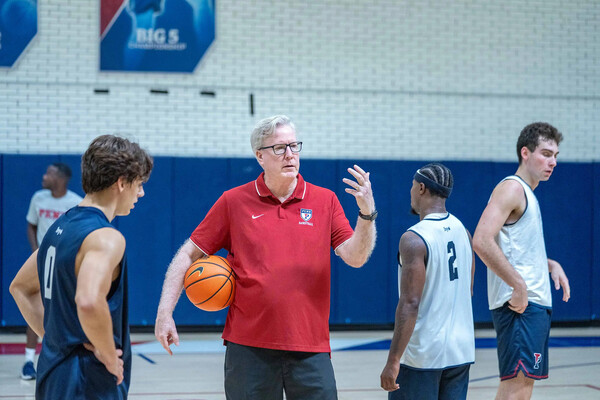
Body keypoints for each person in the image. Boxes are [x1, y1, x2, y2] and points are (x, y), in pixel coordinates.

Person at [155, 115, 377, 399]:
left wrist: (367, 214)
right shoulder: (233, 201)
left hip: (310, 347)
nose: (290, 155)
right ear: (260, 156)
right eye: (279, 148)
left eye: (294, 146)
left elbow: (356, 257)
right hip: (248, 348)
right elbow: (188, 253)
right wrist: (165, 313)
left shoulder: (325, 200)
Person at [10, 135, 153, 400]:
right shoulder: (106, 237)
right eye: (139, 184)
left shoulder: (59, 227)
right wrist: (109, 356)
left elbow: (19, 287)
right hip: (87, 380)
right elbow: (88, 301)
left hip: (53, 372)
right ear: (121, 183)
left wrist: (57, 338)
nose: (141, 193)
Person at [473, 122, 571, 400]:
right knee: (517, 389)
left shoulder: (528, 193)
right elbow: (481, 241)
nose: (552, 161)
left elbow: (516, 249)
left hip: (531, 303)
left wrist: (549, 264)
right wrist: (519, 286)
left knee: (521, 389)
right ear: (525, 153)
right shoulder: (512, 189)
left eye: (555, 155)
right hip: (521, 306)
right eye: (545, 153)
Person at [380, 163, 475, 400]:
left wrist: (393, 360)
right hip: (461, 352)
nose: (410, 192)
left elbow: (410, 304)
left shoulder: (414, 239)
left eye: (412, 186)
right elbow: (468, 291)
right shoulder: (464, 231)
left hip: (423, 356)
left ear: (421, 188)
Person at [21, 162, 83, 380]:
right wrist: (36, 251)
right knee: (38, 309)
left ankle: (67, 360)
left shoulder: (75, 202)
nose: (44, 175)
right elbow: (31, 225)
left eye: (49, 173)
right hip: (42, 262)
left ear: (61, 178)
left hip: (65, 266)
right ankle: (29, 361)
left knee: (68, 312)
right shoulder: (38, 198)